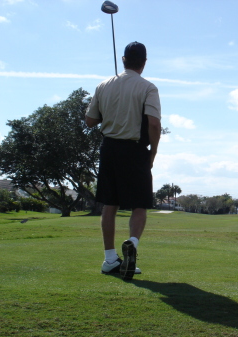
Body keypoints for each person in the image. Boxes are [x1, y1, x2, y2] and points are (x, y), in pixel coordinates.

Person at [85, 41, 161, 280]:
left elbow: (89, 120)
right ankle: (132, 242)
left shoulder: (103, 85)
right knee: (139, 205)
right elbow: (154, 124)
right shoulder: (148, 87)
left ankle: (110, 260)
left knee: (110, 204)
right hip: (135, 150)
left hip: (108, 150)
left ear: (123, 59)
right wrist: (153, 152)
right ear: (144, 62)